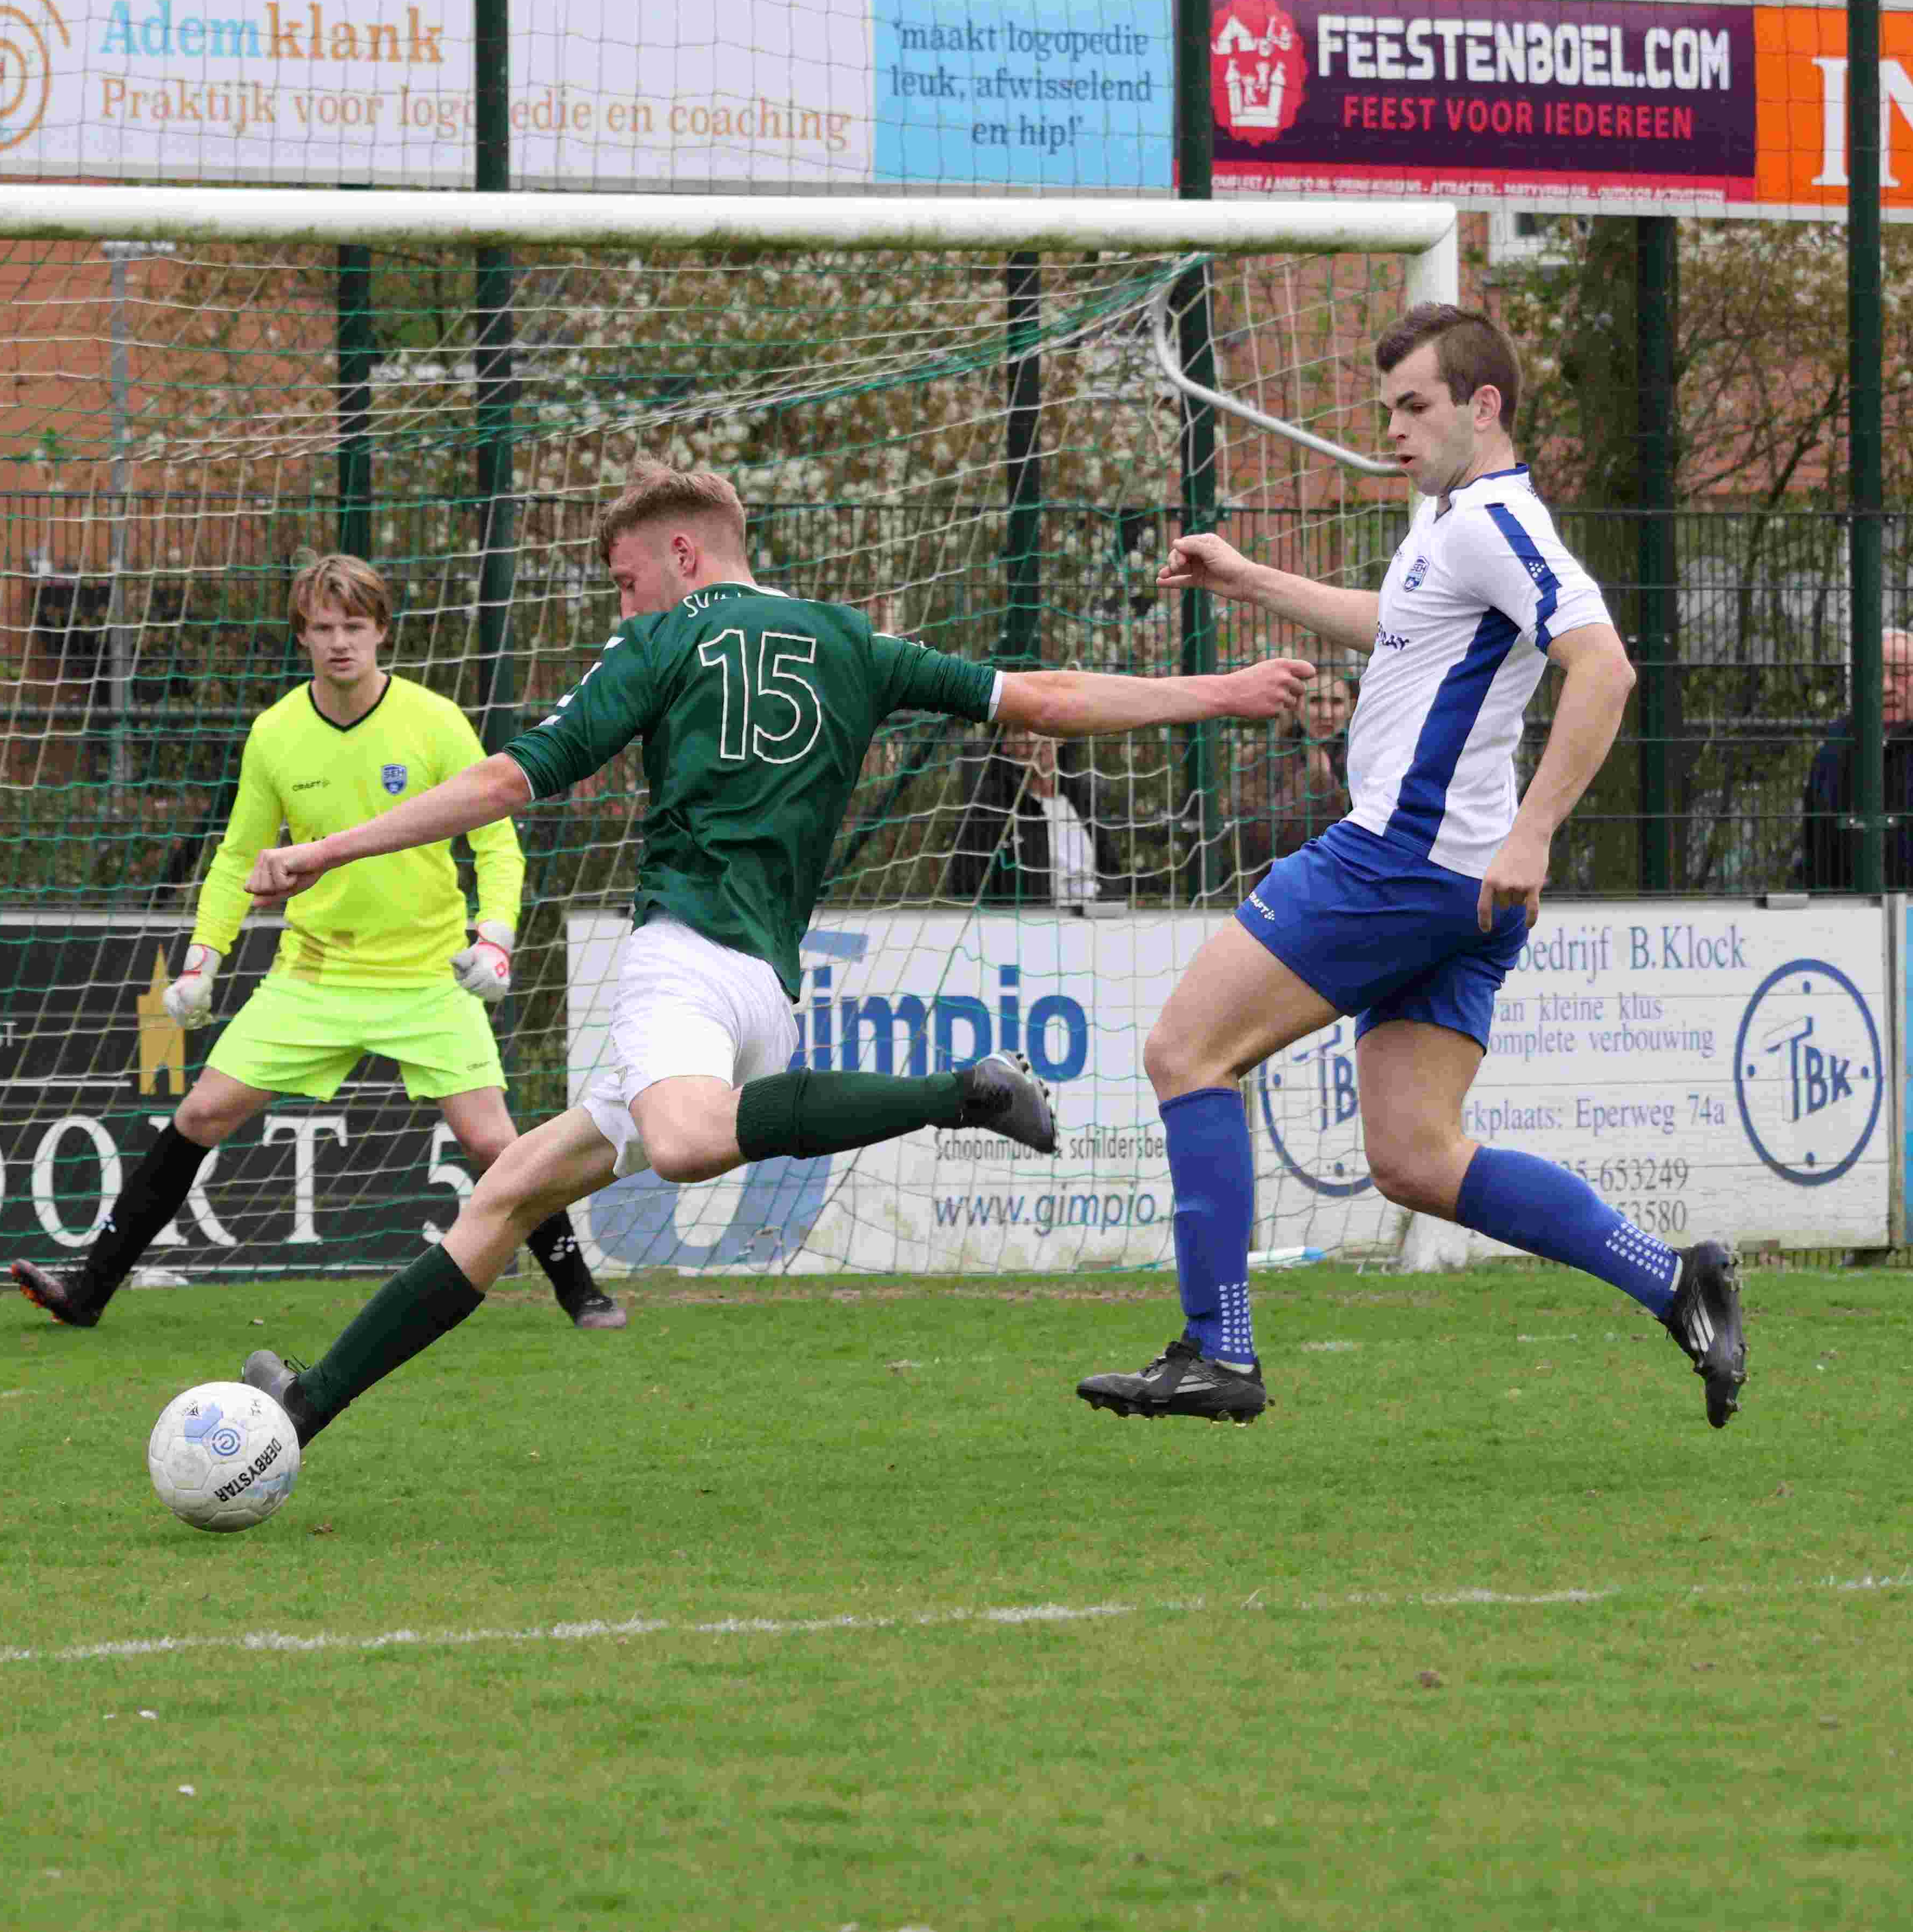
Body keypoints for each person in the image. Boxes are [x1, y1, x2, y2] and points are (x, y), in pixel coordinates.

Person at [225, 459, 1314, 1448]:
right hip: (760, 992)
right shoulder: (852, 641)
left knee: (688, 1141)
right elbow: (1046, 698)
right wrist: (1217, 692)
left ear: (682, 555)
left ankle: (958, 1091)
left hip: (683, 959)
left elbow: (511, 779)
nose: (623, 602)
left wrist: (328, 845)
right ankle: (304, 1403)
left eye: (623, 578)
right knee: (505, 1193)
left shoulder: (662, 638)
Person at [1074, 301, 1745, 1430]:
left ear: (1481, 407)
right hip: (1458, 886)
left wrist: (1534, 830)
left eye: (1414, 405)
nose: (1390, 427)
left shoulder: (1494, 520)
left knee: (1185, 1047)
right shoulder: (1448, 523)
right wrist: (1251, 581)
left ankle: (1215, 1348)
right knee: (1415, 1156)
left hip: (1401, 862)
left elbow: (1603, 668)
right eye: (1385, 406)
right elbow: (1394, 621)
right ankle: (1674, 1279)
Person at [8, 554, 625, 1334]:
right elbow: (237, 857)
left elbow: (496, 844)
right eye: (324, 628)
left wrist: (496, 936)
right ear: (302, 635)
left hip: (426, 975)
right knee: (201, 1112)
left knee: (492, 1139)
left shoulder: (434, 720)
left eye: (355, 627)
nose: (340, 643)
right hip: (314, 974)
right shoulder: (275, 734)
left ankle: (581, 1291)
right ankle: (87, 1290)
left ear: (382, 632)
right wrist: (204, 959)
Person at [946, 727, 1124, 908]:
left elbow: (1112, 874)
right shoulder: (989, 808)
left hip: (1091, 926)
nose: (1032, 739)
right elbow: (966, 886)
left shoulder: (1084, 800)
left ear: (1061, 738)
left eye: (1040, 728)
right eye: (1019, 731)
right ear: (1005, 745)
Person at [1797, 627, 1913, 892]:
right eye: (1873, 674)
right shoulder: (1834, 748)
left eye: (1900, 673)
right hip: (1847, 911)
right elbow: (1817, 847)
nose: (1885, 687)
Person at [1228, 665, 1356, 874]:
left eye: (1336, 703)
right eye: (1315, 701)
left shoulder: (1366, 757)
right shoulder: (1257, 759)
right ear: (1295, 705)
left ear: (1351, 708)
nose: (1326, 714)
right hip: (1278, 881)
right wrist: (1315, 779)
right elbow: (1253, 842)